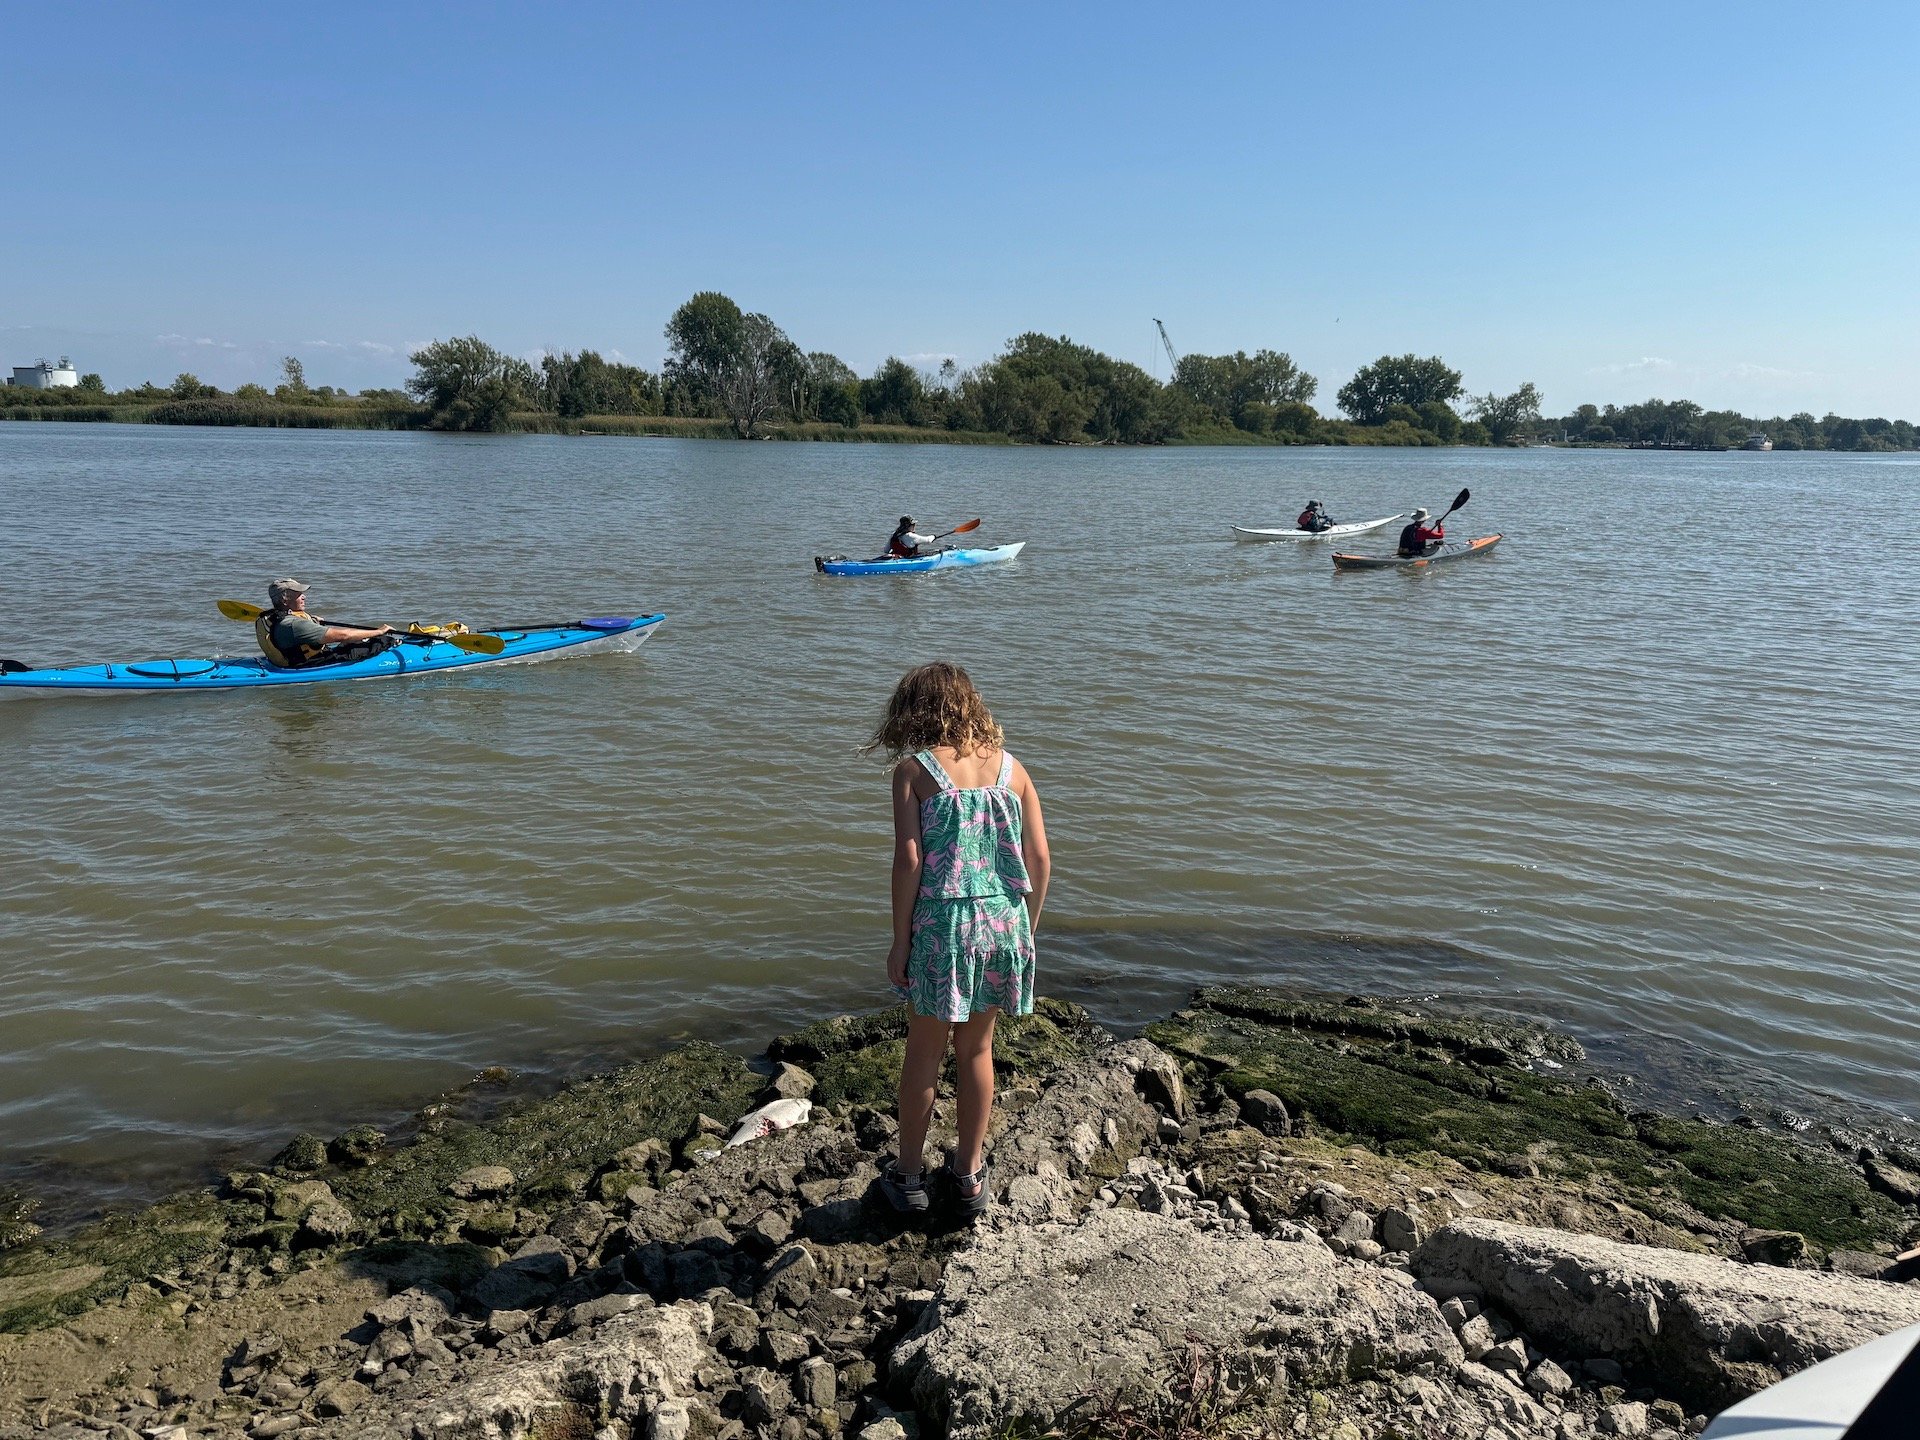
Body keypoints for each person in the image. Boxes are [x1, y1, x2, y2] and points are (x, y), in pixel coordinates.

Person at [864, 662, 1051, 1218]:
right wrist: (1025, 929)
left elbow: (910, 862)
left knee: (924, 1052)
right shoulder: (1013, 771)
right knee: (976, 1049)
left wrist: (900, 941)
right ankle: (968, 1176)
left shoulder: (914, 772)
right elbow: (1040, 860)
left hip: (944, 926)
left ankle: (909, 1177)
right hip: (1003, 920)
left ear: (915, 711)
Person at [254, 579, 400, 669]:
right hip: (308, 664)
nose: (304, 596)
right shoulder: (294, 625)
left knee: (354, 642)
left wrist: (311, 621)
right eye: (299, 593)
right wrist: (380, 631)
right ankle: (393, 643)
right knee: (377, 642)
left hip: (284, 662)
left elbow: (296, 624)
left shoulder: (272, 616)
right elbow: (344, 635)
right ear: (285, 600)